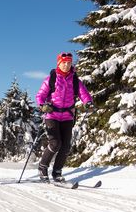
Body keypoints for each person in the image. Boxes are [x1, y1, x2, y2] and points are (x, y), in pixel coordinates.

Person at [36, 52, 94, 182]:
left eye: (69, 63)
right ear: (59, 64)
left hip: (67, 116)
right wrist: (42, 105)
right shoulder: (51, 78)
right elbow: (40, 96)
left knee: (66, 146)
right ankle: (42, 166)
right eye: (64, 63)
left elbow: (83, 93)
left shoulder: (75, 80)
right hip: (52, 115)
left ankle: (57, 171)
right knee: (55, 143)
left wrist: (88, 102)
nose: (67, 65)